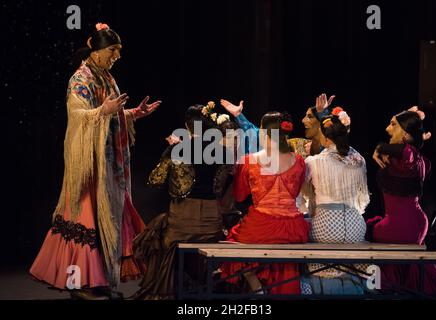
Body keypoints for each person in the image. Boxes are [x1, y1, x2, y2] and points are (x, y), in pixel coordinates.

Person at [30, 23, 162, 299]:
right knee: (87, 219)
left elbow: (109, 114)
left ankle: (98, 280)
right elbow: (79, 116)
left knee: (106, 219)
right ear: (99, 50)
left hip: (108, 164)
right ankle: (80, 283)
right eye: (114, 50)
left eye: (119, 51)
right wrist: (103, 111)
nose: (118, 56)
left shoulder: (106, 77)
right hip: (90, 165)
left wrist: (133, 114)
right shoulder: (81, 79)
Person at [132, 103, 238, 299]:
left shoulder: (178, 149)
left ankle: (168, 287)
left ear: (187, 126)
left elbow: (154, 181)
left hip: (182, 227)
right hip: (211, 228)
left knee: (157, 233)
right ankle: (196, 281)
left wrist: (170, 152)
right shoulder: (224, 152)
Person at [220, 111, 310, 295]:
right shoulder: (299, 161)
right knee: (283, 261)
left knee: (232, 242)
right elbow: (296, 192)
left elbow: (239, 196)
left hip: (262, 224)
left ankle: (257, 287)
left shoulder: (250, 161)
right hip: (294, 228)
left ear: (263, 132)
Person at [367, 106, 436, 299]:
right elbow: (406, 149)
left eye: (393, 125)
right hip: (415, 224)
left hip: (398, 226)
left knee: (369, 237)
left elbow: (405, 151)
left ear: (405, 134)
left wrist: (380, 147)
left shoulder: (409, 156)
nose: (388, 129)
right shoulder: (414, 157)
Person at [301, 107, 370, 295]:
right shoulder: (359, 160)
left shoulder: (313, 161)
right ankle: (361, 286)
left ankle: (313, 287)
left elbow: (302, 198)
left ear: (324, 138)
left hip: (327, 227)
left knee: (301, 229)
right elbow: (362, 200)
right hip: (356, 226)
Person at [220, 93, 335, 158]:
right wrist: (239, 115)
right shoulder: (293, 146)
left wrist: (323, 115)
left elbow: (330, 142)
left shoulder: (300, 147)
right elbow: (255, 132)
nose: (303, 120)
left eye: (309, 117)